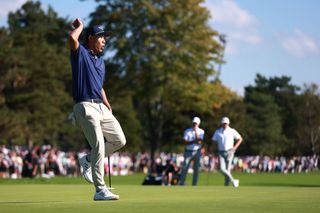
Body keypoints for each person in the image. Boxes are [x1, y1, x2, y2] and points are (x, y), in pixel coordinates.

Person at [69, 18, 126, 201]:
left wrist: (106, 102)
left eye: (105, 38)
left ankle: (87, 160)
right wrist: (81, 27)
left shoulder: (101, 61)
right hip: (84, 105)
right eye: (101, 37)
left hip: (100, 106)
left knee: (119, 140)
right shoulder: (81, 53)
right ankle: (100, 190)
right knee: (99, 145)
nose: (104, 41)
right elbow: (72, 39)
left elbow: (99, 85)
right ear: (91, 38)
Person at [211, 117, 242, 187]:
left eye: (226, 123)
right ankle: (233, 180)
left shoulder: (232, 131)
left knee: (228, 170)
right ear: (221, 123)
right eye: (223, 123)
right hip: (221, 152)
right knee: (222, 169)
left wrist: (234, 148)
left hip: (230, 152)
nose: (225, 125)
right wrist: (212, 150)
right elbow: (214, 141)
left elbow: (240, 139)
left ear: (228, 123)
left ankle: (226, 185)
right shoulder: (218, 131)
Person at [179, 117, 204, 186]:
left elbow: (199, 142)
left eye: (195, 123)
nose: (194, 124)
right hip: (188, 152)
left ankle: (194, 185)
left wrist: (196, 132)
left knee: (196, 170)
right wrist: (194, 141)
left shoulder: (201, 131)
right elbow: (185, 142)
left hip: (197, 152)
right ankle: (182, 183)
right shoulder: (187, 131)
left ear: (198, 124)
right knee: (184, 168)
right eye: (193, 123)